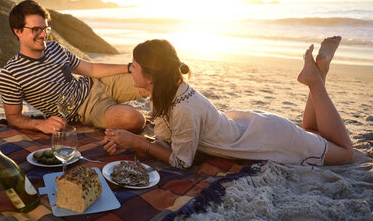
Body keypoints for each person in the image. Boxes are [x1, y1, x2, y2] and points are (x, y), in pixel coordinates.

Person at [101, 37, 354, 168]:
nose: (130, 68)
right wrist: (132, 140)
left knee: (345, 152)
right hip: (258, 129)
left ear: (151, 76)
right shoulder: (166, 93)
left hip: (271, 139)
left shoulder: (183, 108)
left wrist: (137, 142)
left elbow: (181, 162)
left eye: (134, 65)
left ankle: (317, 80)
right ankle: (318, 72)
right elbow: (168, 139)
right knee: (312, 133)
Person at [0, 0, 147, 134]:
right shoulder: (11, 74)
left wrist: (129, 67)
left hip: (100, 84)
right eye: (36, 29)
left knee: (152, 79)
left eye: (45, 29)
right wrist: (41, 124)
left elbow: (91, 69)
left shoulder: (54, 47)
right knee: (135, 119)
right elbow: (13, 117)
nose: (43, 35)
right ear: (18, 31)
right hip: (87, 110)